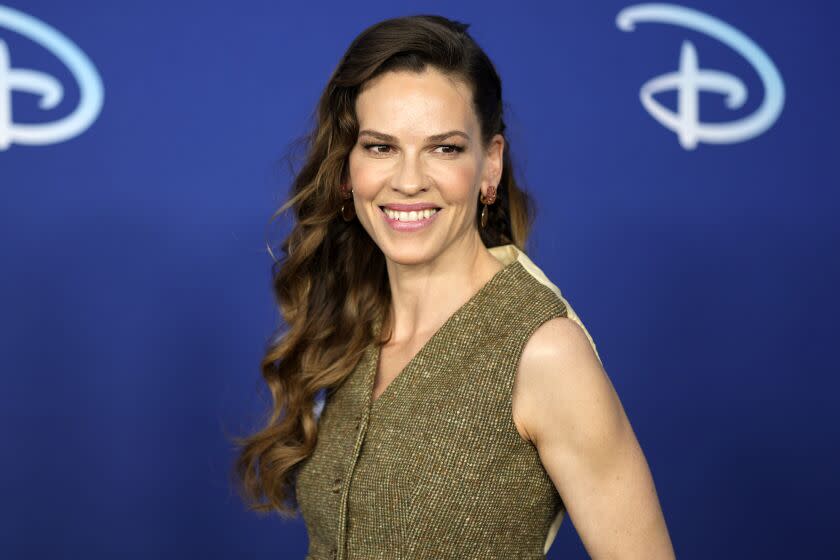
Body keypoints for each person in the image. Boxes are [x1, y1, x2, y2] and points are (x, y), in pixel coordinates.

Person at [233, 14, 675, 560]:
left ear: (489, 166)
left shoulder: (543, 352)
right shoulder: (356, 325)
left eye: (443, 148)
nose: (410, 179)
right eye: (380, 147)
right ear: (346, 168)